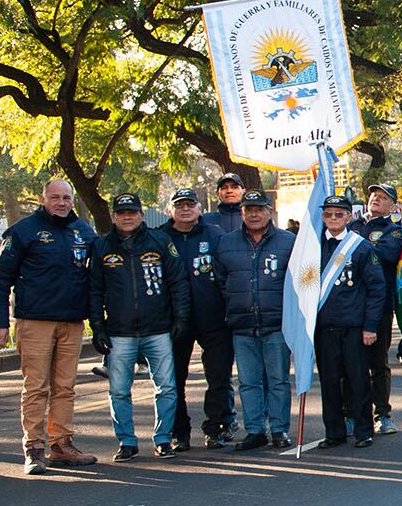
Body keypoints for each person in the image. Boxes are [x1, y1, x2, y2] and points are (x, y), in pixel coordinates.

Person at [0, 178, 99, 474]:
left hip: (72, 321)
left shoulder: (83, 231)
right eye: (55, 197)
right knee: (36, 387)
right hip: (35, 321)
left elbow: (99, 271)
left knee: (65, 388)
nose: (61, 202)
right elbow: (1, 281)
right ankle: (34, 449)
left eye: (66, 197)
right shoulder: (22, 232)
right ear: (43, 199)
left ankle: (60, 445)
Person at [89, 193, 189, 461]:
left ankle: (164, 439)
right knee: (119, 390)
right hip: (119, 332)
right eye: (121, 213)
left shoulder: (160, 241)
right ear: (113, 216)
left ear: (141, 215)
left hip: (157, 329)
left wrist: (181, 319)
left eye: (132, 212)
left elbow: (178, 282)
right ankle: (127, 442)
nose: (127, 217)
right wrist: (97, 326)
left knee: (166, 387)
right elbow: (95, 290)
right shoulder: (101, 247)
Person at [214, 189, 297, 451]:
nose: (254, 214)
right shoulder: (226, 242)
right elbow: (220, 280)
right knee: (249, 382)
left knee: (278, 381)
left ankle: (280, 429)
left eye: (259, 209)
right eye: (248, 209)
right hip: (242, 324)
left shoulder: (288, 241)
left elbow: (298, 282)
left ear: (269, 211)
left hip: (277, 324)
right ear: (242, 213)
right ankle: (254, 430)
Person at [158, 189, 237, 448]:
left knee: (218, 377)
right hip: (174, 320)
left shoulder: (215, 235)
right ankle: (179, 431)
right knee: (174, 379)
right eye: (179, 205)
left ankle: (215, 427)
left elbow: (227, 272)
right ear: (170, 210)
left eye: (190, 204)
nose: (185, 209)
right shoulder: (159, 237)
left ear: (199, 208)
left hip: (213, 318)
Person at [313, 195, 385, 448]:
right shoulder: (314, 247)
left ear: (349, 217)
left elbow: (377, 289)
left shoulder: (362, 247)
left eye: (339, 214)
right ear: (323, 217)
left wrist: (370, 326)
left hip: (354, 326)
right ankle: (334, 431)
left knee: (358, 381)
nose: (333, 219)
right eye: (329, 214)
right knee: (329, 382)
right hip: (324, 327)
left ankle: (364, 430)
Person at [349, 182, 402, 434]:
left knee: (378, 362)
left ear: (392, 206)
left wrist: (352, 246)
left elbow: (383, 255)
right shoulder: (353, 226)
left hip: (379, 304)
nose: (376, 199)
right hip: (348, 304)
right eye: (374, 195)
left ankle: (382, 413)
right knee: (349, 364)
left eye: (383, 197)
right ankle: (350, 413)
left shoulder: (394, 232)